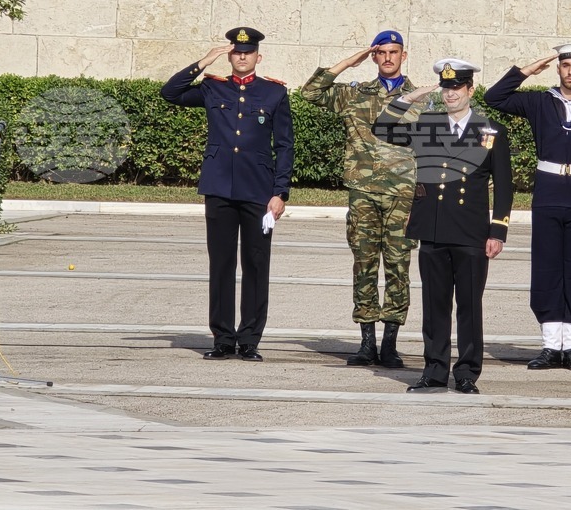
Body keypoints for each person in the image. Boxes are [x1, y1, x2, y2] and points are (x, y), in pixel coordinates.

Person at [373, 59, 513, 394]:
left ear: (470, 90)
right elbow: (382, 128)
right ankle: (434, 370)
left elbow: (504, 186)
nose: (451, 94)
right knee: (435, 306)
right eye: (446, 88)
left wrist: (498, 231)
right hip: (433, 229)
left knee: (469, 306)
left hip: (471, 232)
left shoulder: (490, 130)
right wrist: (411, 97)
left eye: (457, 88)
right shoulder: (429, 124)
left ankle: (466, 373)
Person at [160, 27, 294, 362]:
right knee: (221, 265)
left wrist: (280, 193)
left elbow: (285, 146)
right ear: (230, 55)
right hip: (219, 187)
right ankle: (222, 338)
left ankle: (249, 340)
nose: (242, 57)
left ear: (258, 57)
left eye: (248, 53)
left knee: (256, 265)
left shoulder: (274, 93)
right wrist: (203, 62)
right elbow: (170, 93)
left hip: (258, 191)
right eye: (237, 52)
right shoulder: (212, 87)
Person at [484, 44, 571, 372]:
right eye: (565, 65)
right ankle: (549, 345)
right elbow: (494, 97)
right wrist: (527, 70)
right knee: (546, 269)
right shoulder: (540, 102)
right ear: (558, 68)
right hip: (548, 196)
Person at [300, 30, 417, 368]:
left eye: (394, 52)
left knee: (398, 268)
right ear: (374, 56)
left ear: (403, 56)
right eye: (381, 52)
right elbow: (311, 91)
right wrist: (351, 60)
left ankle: (390, 344)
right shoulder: (354, 95)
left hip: (402, 197)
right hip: (364, 195)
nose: (388, 58)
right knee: (364, 266)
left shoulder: (421, 99)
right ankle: (367, 343)